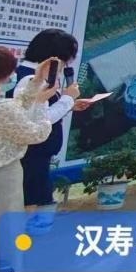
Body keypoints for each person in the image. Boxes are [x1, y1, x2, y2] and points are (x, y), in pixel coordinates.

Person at [0, 47, 59, 242]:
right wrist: (41, 103)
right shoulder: (1, 108)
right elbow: (37, 134)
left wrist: (37, 80)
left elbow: (16, 108)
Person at [15, 29, 90, 222]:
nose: (65, 66)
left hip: (38, 153)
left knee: (33, 199)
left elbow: (39, 111)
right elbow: (38, 119)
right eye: (65, 61)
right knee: (29, 202)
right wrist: (67, 99)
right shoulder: (30, 80)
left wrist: (69, 105)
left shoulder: (35, 77)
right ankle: (22, 238)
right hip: (31, 154)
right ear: (54, 58)